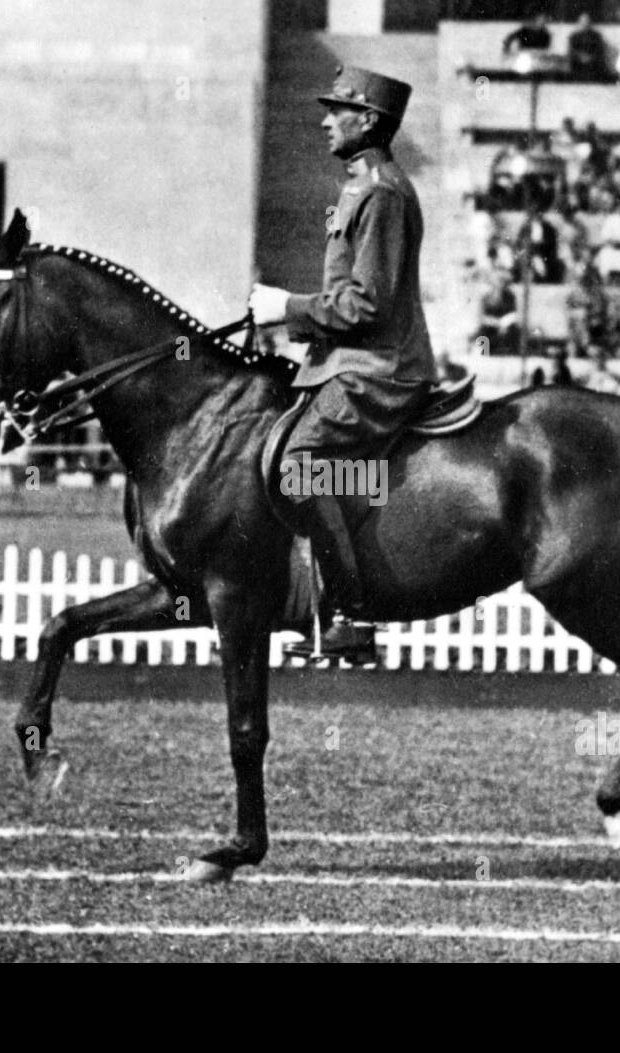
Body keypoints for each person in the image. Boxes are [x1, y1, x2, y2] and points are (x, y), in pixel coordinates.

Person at [248, 65, 436, 662]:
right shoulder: (359, 187)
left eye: (338, 111)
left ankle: (350, 617)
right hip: (351, 361)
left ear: (370, 121)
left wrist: (288, 306)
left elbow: (367, 303)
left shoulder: (380, 190)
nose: (326, 120)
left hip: (379, 367)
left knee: (301, 464)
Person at [475, 268, 520, 355]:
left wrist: (504, 323)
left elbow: (513, 314)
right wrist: (495, 323)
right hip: (491, 324)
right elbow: (482, 316)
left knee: (514, 330)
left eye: (502, 281)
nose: (500, 284)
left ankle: (512, 354)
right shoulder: (486, 297)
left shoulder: (510, 296)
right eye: (497, 281)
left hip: (506, 324)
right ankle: (485, 353)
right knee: (483, 331)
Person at [566, 14, 614, 84]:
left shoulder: (596, 36)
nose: (585, 24)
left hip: (593, 61)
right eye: (583, 22)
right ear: (579, 23)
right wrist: (581, 57)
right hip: (578, 62)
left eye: (587, 22)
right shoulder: (574, 36)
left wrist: (590, 57)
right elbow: (571, 50)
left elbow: (599, 49)